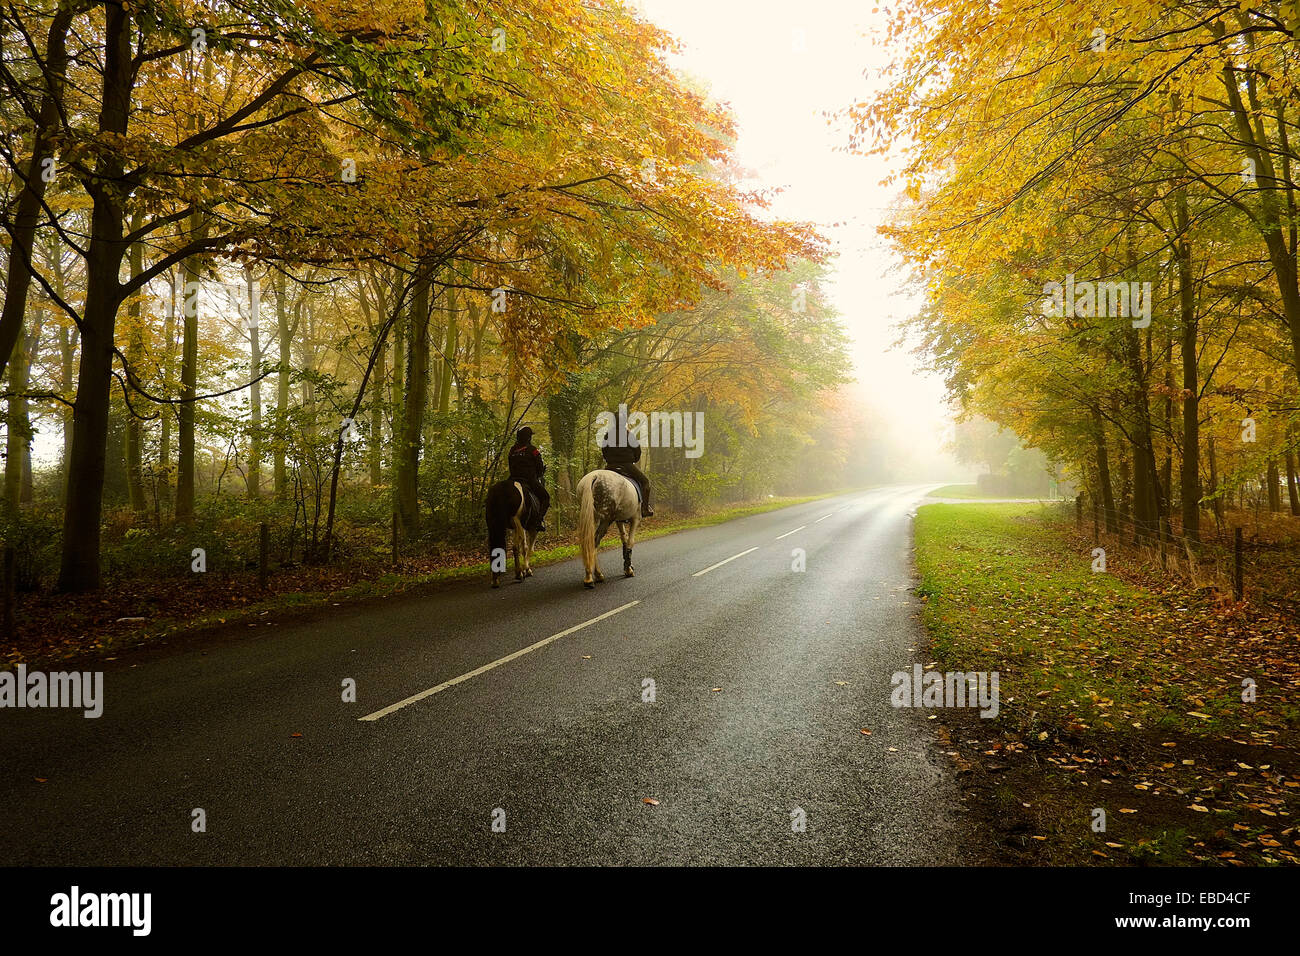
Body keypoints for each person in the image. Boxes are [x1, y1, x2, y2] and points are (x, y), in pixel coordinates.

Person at [601, 424, 653, 517]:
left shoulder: (608, 435)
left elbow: (604, 450)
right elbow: (637, 451)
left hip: (610, 466)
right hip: (627, 465)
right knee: (646, 482)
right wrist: (634, 459)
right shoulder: (629, 435)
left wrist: (609, 459)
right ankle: (644, 509)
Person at [507, 426, 550, 531]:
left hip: (512, 479)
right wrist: (539, 474)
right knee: (545, 497)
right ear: (528, 437)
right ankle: (538, 521)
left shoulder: (512, 450)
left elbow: (510, 465)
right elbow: (539, 466)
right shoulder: (533, 450)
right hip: (529, 480)